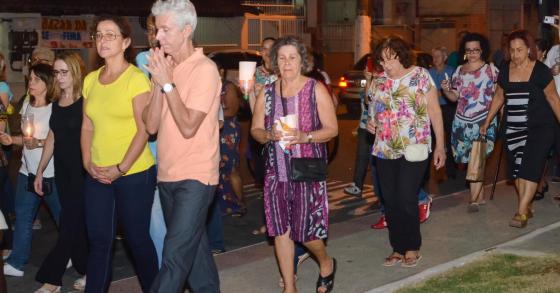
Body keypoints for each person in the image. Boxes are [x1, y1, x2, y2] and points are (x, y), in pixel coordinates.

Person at [251, 35, 338, 293]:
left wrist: (304, 136)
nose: (287, 62)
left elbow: (332, 129)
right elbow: (255, 128)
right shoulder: (267, 92)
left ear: (302, 60)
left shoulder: (315, 89)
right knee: (280, 230)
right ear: (275, 61)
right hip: (275, 171)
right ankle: (290, 287)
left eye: (292, 57)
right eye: (282, 57)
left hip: (306, 169)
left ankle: (326, 262)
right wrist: (267, 135)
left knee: (307, 233)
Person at [144, 0, 221, 291]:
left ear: (186, 30)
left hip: (196, 176)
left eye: (165, 29)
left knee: (174, 257)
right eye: (157, 30)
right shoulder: (165, 69)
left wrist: (167, 84)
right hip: (167, 174)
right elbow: (151, 126)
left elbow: (188, 126)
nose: (158, 36)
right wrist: (157, 82)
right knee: (196, 258)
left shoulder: (205, 69)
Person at [82, 15, 157, 292]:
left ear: (125, 42)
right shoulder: (90, 80)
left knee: (137, 240)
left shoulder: (136, 79)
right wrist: (87, 162)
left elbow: (144, 130)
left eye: (110, 35)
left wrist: (121, 168)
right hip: (97, 173)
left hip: (134, 173)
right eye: (99, 35)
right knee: (99, 241)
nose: (102, 40)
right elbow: (87, 126)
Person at [366, 36, 445, 267]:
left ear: (401, 55)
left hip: (415, 147)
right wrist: (371, 125)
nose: (385, 65)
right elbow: (373, 113)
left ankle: (412, 247)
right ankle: (397, 248)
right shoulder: (379, 81)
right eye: (381, 61)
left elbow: (434, 112)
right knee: (390, 200)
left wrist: (440, 145)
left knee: (406, 196)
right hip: (384, 148)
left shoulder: (420, 76)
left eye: (390, 60)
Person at [481, 30, 560, 228]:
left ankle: (521, 210)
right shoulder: (506, 69)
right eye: (512, 50)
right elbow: (499, 97)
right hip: (512, 127)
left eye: (520, 50)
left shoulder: (540, 70)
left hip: (540, 127)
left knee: (531, 168)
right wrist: (487, 121)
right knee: (517, 171)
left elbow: (553, 98)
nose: (516, 54)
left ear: (529, 50)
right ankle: (527, 205)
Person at [32, 52, 88, 293]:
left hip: (83, 171)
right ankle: (87, 269)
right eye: (56, 72)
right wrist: (40, 171)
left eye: (64, 72)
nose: (60, 77)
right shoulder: (56, 102)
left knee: (68, 224)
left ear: (75, 72)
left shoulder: (87, 100)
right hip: (63, 172)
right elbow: (52, 138)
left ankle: (52, 278)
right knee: (76, 224)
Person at [2, 63, 61, 277]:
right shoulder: (27, 104)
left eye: (36, 79)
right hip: (27, 171)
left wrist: (38, 142)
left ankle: (73, 253)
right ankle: (17, 262)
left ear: (47, 83)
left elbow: (59, 141)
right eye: (30, 79)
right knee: (23, 216)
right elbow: (27, 140)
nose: (31, 83)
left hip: (51, 175)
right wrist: (12, 139)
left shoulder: (55, 108)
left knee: (62, 218)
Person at [441, 33, 499, 213]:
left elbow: (499, 96)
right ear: (464, 52)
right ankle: (479, 196)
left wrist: (499, 118)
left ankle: (473, 199)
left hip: (484, 120)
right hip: (461, 122)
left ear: (482, 50)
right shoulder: (459, 70)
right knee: (471, 160)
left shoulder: (491, 70)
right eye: (469, 50)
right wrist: (446, 90)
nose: (472, 53)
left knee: (477, 157)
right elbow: (455, 97)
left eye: (476, 50)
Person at [135, 14, 167, 268]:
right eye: (148, 30)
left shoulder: (186, 60)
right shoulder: (143, 59)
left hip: (182, 151)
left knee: (181, 222)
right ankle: (161, 277)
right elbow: (149, 109)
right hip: (154, 150)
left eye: (156, 29)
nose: (152, 34)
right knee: (156, 218)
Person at [429, 46, 457, 178]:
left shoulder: (452, 71)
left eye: (438, 56)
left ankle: (451, 169)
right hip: (433, 109)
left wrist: (439, 92)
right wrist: (438, 92)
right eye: (433, 56)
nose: (435, 59)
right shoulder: (429, 72)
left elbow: (452, 91)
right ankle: (434, 167)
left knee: (451, 138)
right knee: (433, 139)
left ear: (445, 58)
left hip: (448, 108)